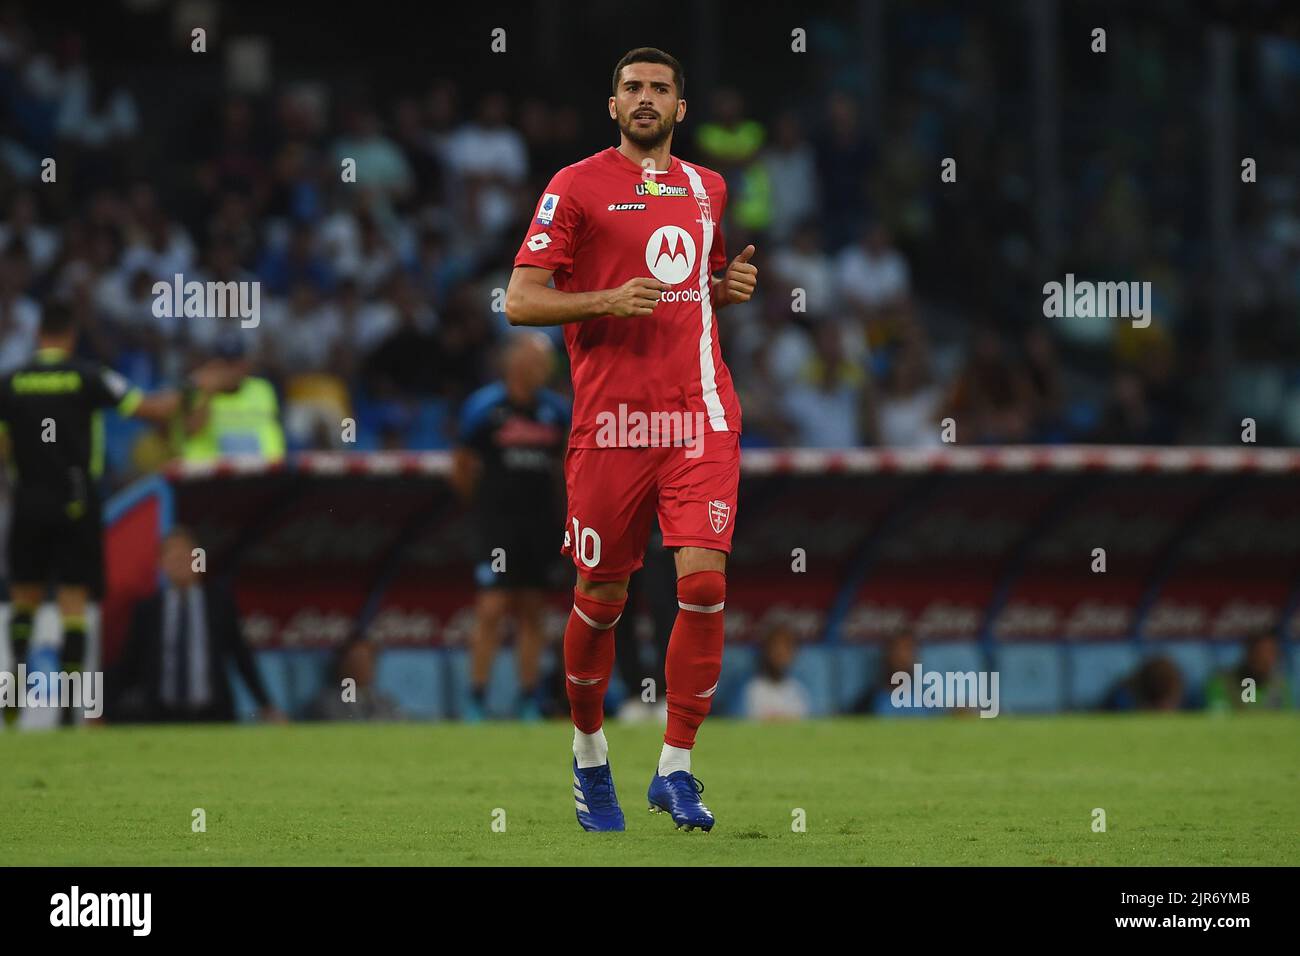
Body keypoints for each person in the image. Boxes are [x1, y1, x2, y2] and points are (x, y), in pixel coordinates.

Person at [505, 47, 758, 833]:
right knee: (602, 600)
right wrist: (609, 298)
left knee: (706, 585)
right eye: (632, 89)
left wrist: (723, 290)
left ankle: (676, 767)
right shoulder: (573, 186)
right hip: (612, 426)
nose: (646, 99)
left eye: (660, 90)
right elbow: (519, 300)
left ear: (681, 108)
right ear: (612, 105)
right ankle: (588, 755)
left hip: (699, 414)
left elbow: (689, 288)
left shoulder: (707, 187)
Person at [0, 303, 202, 727]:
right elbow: (154, 410)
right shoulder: (88, 376)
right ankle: (71, 708)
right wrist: (194, 386)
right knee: (73, 602)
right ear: (71, 336)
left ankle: (14, 689)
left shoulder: (10, 383)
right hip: (77, 501)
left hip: (29, 501)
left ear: (39, 337)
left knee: (24, 600)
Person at [452, 333, 570, 721]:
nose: (546, 368)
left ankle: (526, 697)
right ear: (515, 364)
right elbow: (463, 466)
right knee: (492, 607)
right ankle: (476, 696)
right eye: (538, 361)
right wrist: (484, 508)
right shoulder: (485, 407)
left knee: (533, 610)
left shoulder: (556, 411)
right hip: (496, 526)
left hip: (539, 523)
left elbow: (566, 468)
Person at [106, 526, 284, 723]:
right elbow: (128, 664)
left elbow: (241, 657)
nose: (180, 562)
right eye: (172, 557)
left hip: (214, 716)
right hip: (161, 719)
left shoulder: (219, 604)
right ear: (161, 564)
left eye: (186, 556)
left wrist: (266, 705)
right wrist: (102, 712)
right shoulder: (148, 609)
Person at [308, 636, 403, 721]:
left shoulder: (386, 701)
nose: (361, 667)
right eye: (355, 661)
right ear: (341, 665)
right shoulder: (326, 704)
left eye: (367, 661)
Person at [1205, 632, 1293, 711]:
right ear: (1249, 654)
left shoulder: (1280, 686)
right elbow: (1217, 717)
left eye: (1271, 653)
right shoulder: (1221, 682)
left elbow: (1286, 717)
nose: (1265, 660)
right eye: (1260, 653)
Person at [743, 622, 810, 720]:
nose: (780, 653)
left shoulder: (798, 690)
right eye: (775, 648)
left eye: (786, 648)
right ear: (766, 650)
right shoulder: (753, 689)